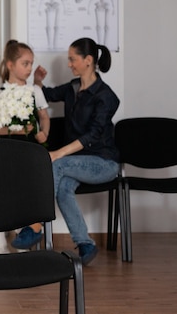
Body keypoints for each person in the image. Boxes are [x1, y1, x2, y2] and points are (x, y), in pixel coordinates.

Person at [32, 37, 120, 266]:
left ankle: (34, 225)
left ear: (88, 60)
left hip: (103, 163)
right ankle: (86, 244)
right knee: (62, 190)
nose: (69, 64)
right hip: (78, 162)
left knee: (57, 164)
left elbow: (92, 136)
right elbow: (47, 96)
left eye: (73, 59)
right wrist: (37, 82)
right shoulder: (72, 88)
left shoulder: (106, 96)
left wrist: (59, 153)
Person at [0, 40, 50, 253]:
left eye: (31, 64)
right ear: (11, 65)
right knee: (2, 193)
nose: (29, 68)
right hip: (5, 150)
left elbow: (44, 117)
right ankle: (0, 239)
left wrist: (44, 133)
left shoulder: (34, 91)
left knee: (26, 193)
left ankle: (24, 237)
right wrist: (14, 131)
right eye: (25, 63)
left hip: (29, 150)